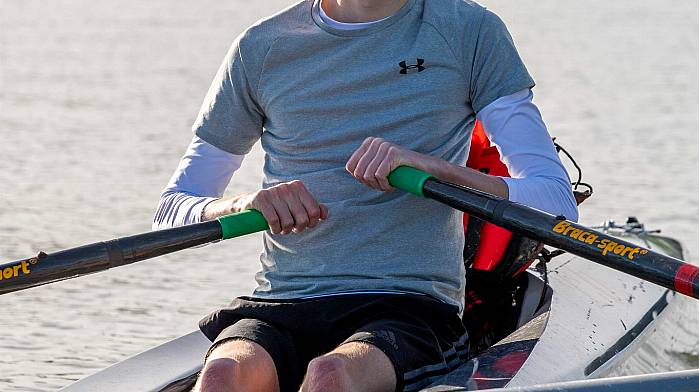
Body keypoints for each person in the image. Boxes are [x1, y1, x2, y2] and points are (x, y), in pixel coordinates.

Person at [153, 0, 579, 391]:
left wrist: (437, 169)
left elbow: (556, 201)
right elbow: (171, 210)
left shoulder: (467, 30)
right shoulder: (260, 47)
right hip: (281, 301)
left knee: (330, 375)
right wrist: (245, 204)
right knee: (223, 375)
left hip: (408, 304)